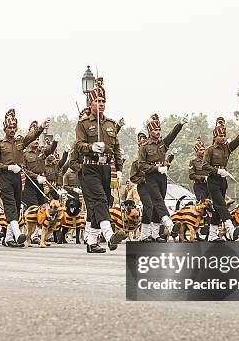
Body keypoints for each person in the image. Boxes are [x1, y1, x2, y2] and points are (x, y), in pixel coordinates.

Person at [74, 78, 126, 253]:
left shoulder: (110, 124)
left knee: (100, 204)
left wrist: (119, 169)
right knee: (100, 201)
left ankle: (91, 241)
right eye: (98, 101)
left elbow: (116, 148)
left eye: (103, 101)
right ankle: (110, 235)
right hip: (90, 167)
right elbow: (78, 145)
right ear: (91, 103)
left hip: (105, 167)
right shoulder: (83, 124)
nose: (101, 104)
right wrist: (91, 147)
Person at [0, 109, 49, 247]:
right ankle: (17, 235)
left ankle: (8, 239)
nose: (11, 130)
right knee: (10, 205)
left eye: (13, 127)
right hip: (5, 176)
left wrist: (41, 127)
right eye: (9, 127)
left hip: (17, 177)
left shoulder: (20, 141)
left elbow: (32, 136)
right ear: (4, 128)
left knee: (16, 207)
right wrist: (8, 167)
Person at [202, 117, 239, 242]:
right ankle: (231, 230)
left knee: (218, 207)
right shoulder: (209, 150)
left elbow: (237, 141)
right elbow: (204, 166)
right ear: (215, 137)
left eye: (224, 135)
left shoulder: (227, 148)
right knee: (221, 204)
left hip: (222, 181)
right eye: (220, 135)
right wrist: (217, 170)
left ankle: (212, 235)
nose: (223, 137)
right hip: (213, 180)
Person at [137, 113, 188, 242]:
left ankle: (154, 234)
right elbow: (141, 165)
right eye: (155, 130)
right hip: (151, 177)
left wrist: (180, 124)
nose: (158, 132)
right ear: (150, 131)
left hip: (162, 177)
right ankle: (170, 226)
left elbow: (172, 135)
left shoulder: (163, 144)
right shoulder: (144, 147)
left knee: (156, 207)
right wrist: (156, 168)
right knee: (158, 201)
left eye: (159, 129)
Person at [188, 136, 209, 200]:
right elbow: (191, 175)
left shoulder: (208, 161)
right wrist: (203, 177)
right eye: (201, 150)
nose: (203, 151)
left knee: (211, 204)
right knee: (202, 204)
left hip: (209, 185)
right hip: (199, 186)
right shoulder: (193, 162)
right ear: (197, 151)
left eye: (204, 149)